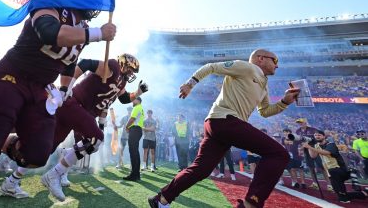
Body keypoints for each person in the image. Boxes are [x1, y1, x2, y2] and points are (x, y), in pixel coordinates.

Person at [0, 7, 116, 208]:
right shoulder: (52, 4)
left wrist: (65, 88)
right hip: (12, 78)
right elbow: (50, 32)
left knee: (37, 155)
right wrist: (98, 33)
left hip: (41, 89)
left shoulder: (82, 26)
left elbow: (69, 62)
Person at [148, 49, 300, 208]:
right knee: (278, 153)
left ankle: (161, 199)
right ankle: (251, 204)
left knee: (201, 169)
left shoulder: (264, 85)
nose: (277, 65)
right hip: (225, 121)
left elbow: (265, 111)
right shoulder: (246, 67)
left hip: (220, 124)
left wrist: (284, 102)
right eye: (275, 60)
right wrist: (190, 84)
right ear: (261, 58)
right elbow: (211, 66)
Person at [0, 53, 148, 201]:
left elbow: (124, 98)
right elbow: (85, 63)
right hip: (75, 103)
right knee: (96, 139)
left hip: (75, 109)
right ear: (123, 64)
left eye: (132, 72)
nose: (131, 74)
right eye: (130, 69)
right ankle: (55, 173)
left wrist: (138, 92)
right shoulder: (112, 67)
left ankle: (11, 182)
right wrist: (67, 86)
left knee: (44, 150)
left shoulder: (121, 81)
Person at [304, 130, 367, 204]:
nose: (317, 136)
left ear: (324, 136)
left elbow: (327, 153)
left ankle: (350, 177)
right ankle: (362, 194)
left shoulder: (331, 144)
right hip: (330, 170)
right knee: (338, 192)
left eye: (319, 135)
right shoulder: (316, 146)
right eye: (315, 135)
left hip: (340, 169)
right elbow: (313, 156)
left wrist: (310, 147)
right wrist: (310, 146)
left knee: (339, 188)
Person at [295, 118, 332, 190]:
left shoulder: (313, 129)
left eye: (301, 122)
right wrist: (300, 148)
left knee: (322, 167)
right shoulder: (297, 131)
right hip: (306, 150)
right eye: (299, 123)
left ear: (306, 122)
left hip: (315, 149)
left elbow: (319, 139)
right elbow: (298, 141)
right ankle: (315, 184)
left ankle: (329, 185)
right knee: (310, 167)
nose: (300, 124)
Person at [124, 97, 145, 181]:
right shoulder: (140, 108)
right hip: (138, 130)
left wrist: (126, 126)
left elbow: (132, 119)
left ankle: (134, 174)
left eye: (134, 99)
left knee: (133, 152)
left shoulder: (137, 107)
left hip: (135, 130)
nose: (132, 101)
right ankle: (136, 174)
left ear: (138, 100)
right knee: (135, 152)